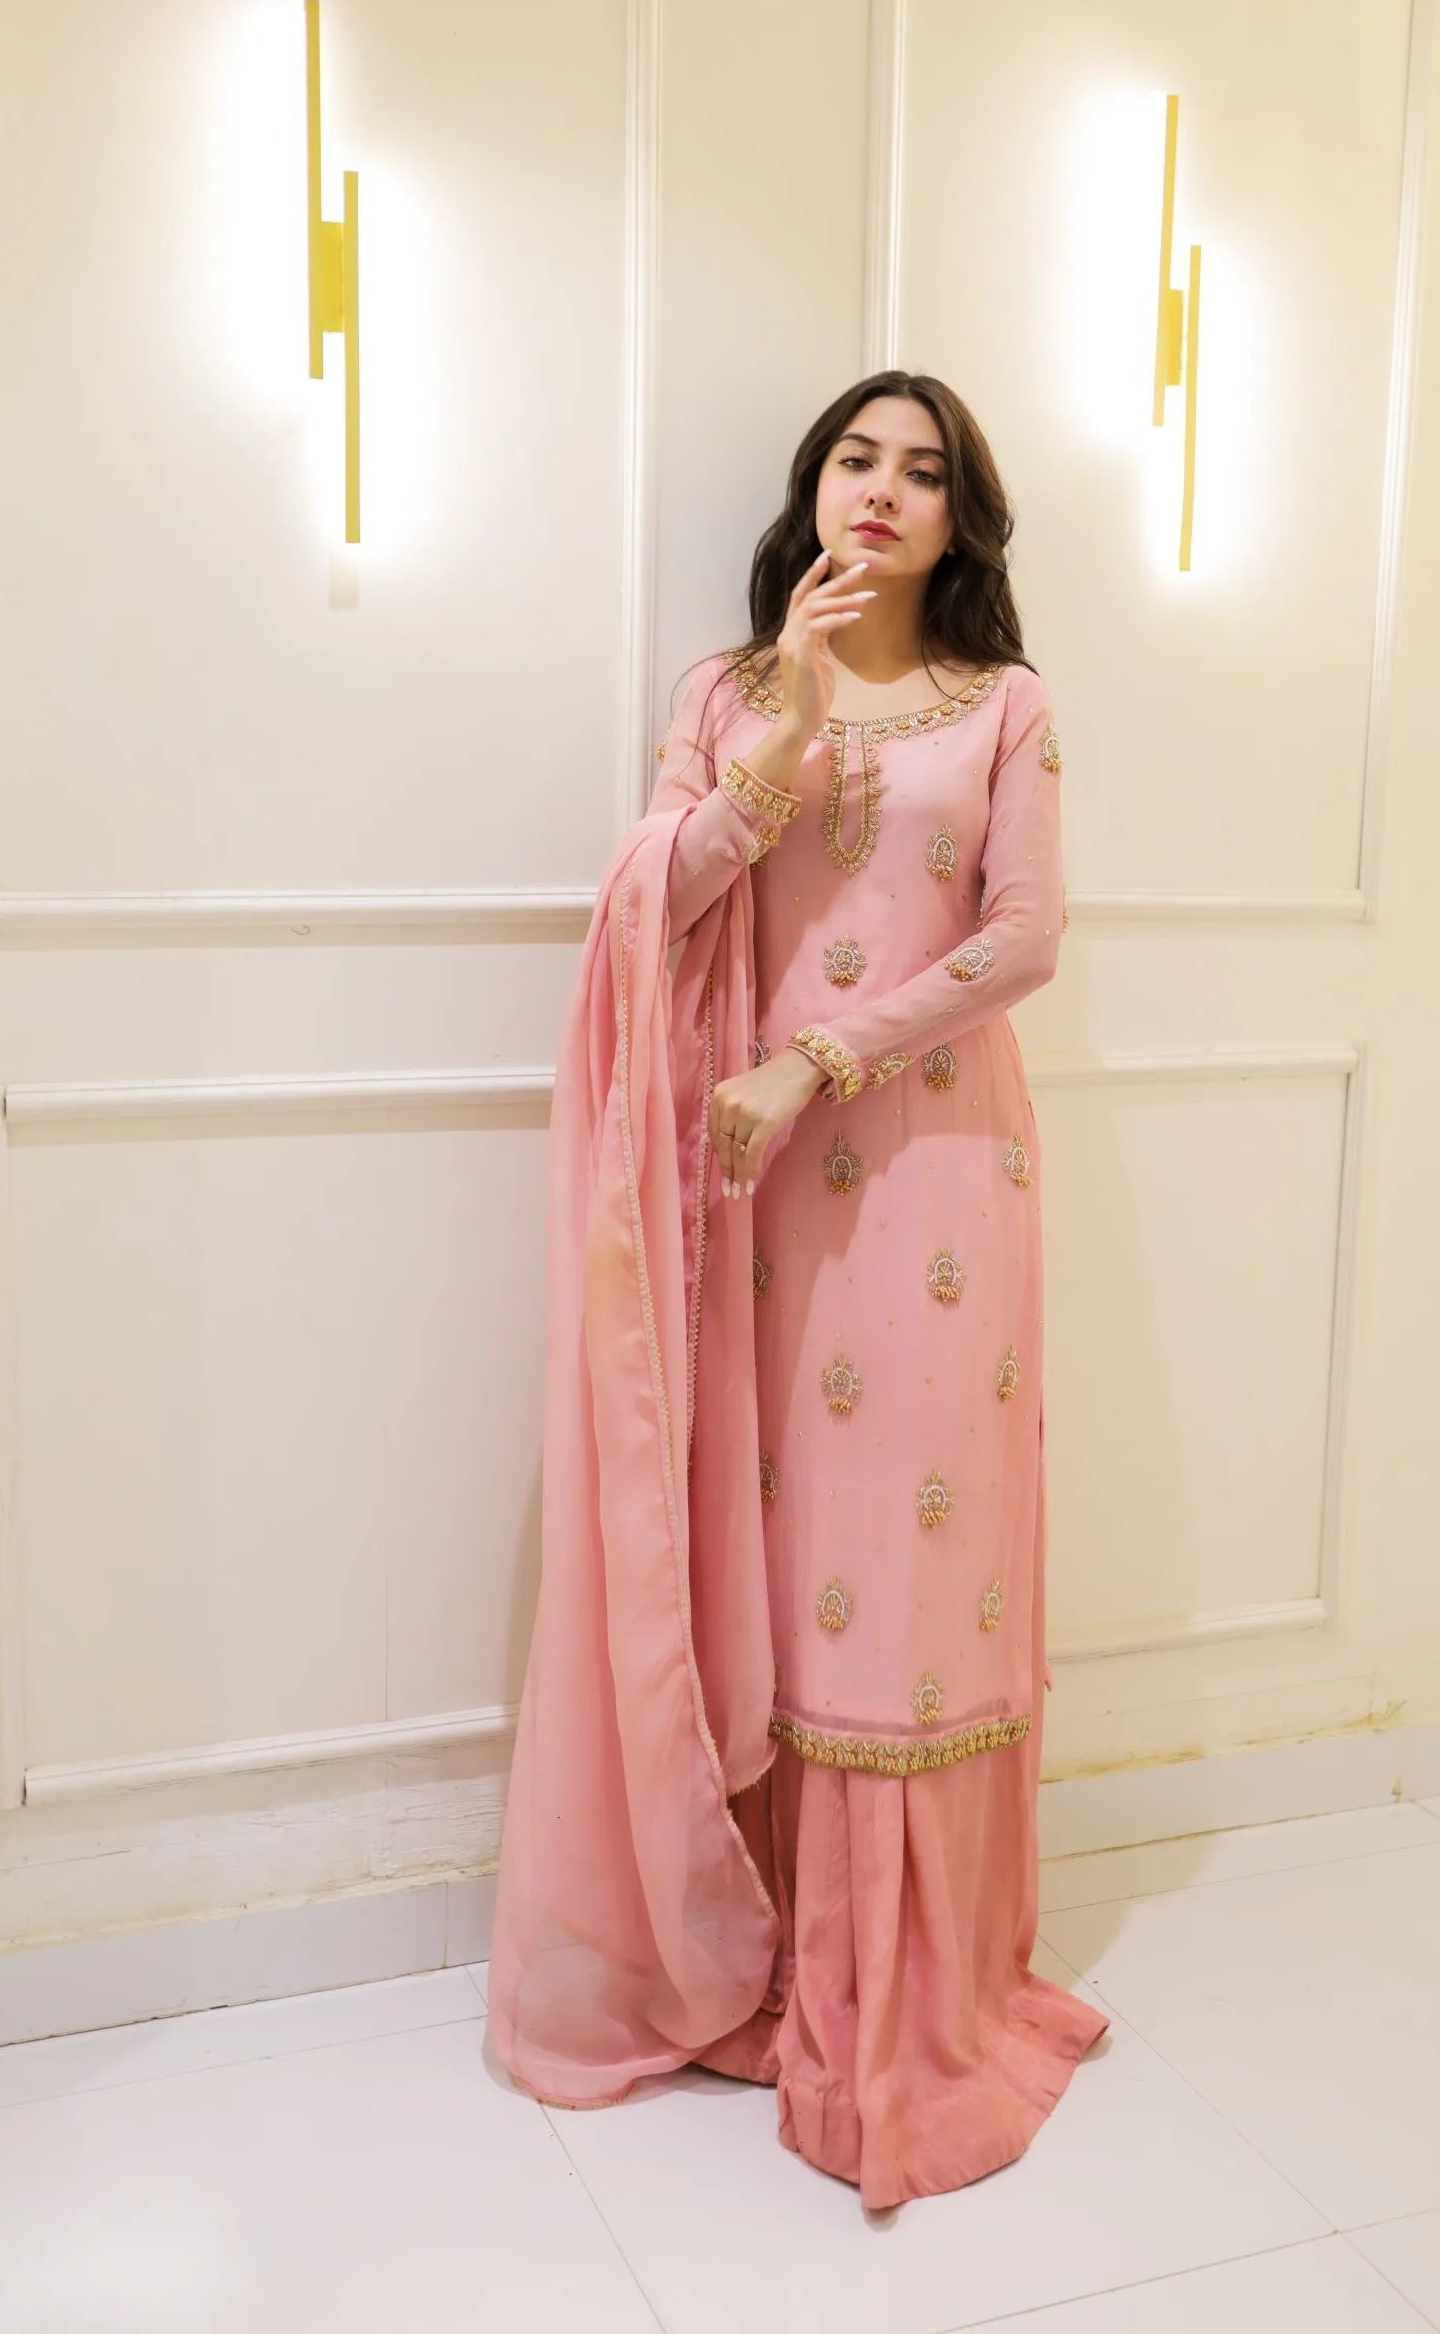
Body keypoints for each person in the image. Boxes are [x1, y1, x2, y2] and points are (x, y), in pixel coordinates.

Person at [485, 369, 1109, 2211]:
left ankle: (913, 1980)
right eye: (859, 458)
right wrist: (782, 728)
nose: (886, 492)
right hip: (743, 1194)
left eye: (927, 472)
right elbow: (655, 906)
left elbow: (1024, 938)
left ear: (961, 516)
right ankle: (753, 1939)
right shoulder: (729, 696)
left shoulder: (1008, 707)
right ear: (813, 487)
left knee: (911, 1558)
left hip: (927, 1180)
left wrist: (818, 1063)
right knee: (768, 1545)